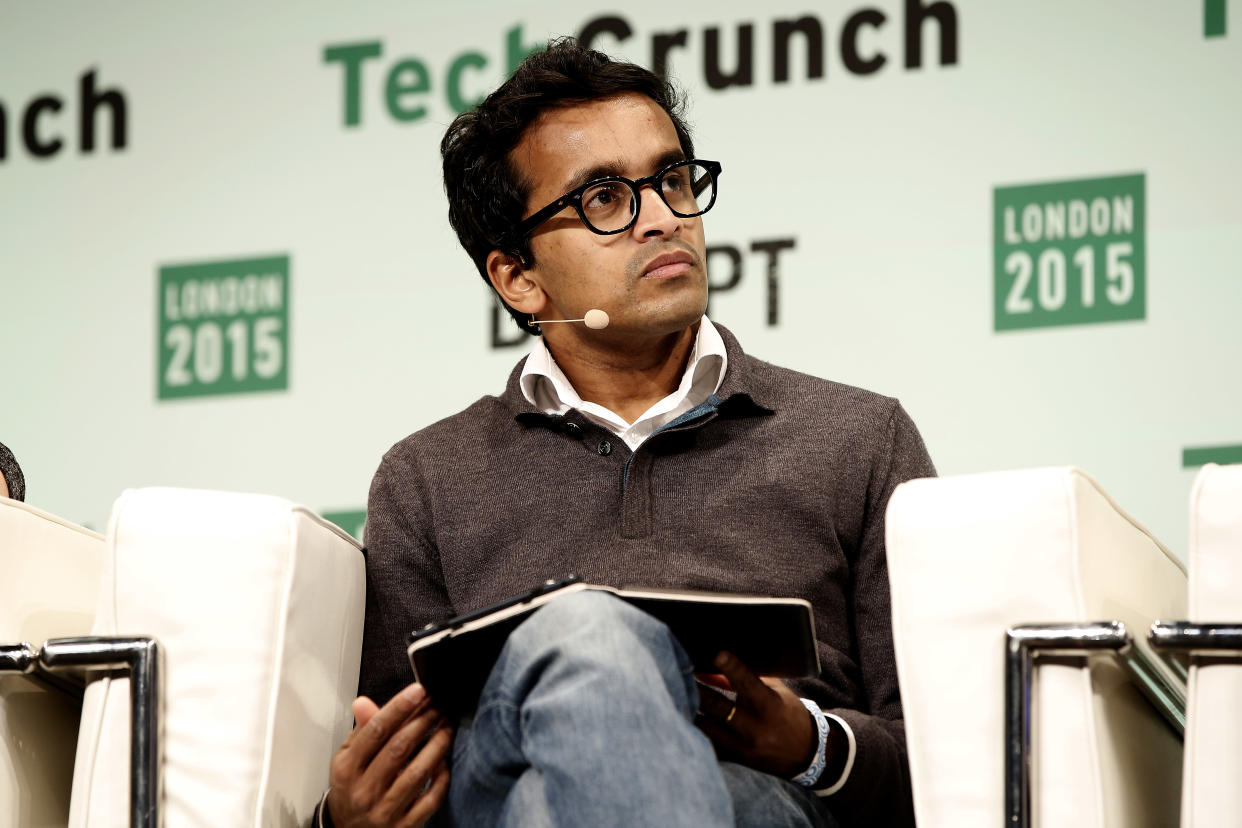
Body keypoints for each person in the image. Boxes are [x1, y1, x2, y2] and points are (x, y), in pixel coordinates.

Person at [321, 39, 934, 828]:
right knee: (585, 630)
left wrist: (805, 741)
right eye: (604, 199)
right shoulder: (427, 477)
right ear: (517, 275)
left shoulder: (859, 437)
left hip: (774, 804)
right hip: (494, 785)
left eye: (672, 179)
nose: (662, 218)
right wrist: (341, 821)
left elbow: (955, 760)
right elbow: (401, 757)